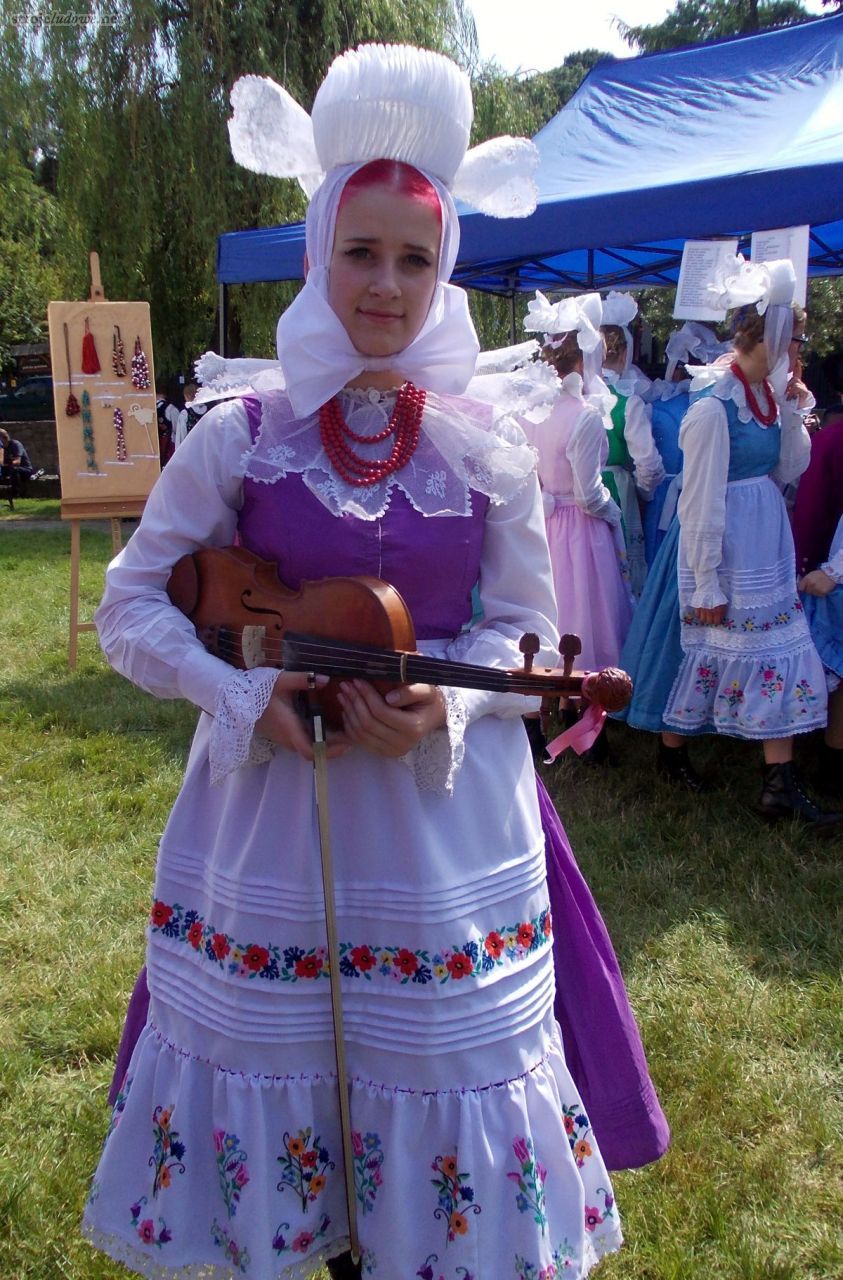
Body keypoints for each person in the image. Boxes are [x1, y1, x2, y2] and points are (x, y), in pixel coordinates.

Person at [83, 45, 624, 1280]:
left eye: (416, 258)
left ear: (448, 272)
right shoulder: (242, 434)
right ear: (320, 249)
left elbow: (527, 634)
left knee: (429, 1066)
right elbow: (132, 608)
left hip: (442, 832)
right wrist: (240, 691)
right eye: (362, 251)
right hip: (270, 815)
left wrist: (448, 701)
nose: (387, 284)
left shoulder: (490, 448)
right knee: (291, 1073)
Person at [617, 258, 840, 827]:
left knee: (772, 648)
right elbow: (700, 503)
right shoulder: (714, 409)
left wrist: (792, 406)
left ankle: (776, 784)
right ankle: (679, 755)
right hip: (723, 545)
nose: (799, 353)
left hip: (764, 541)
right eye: (795, 342)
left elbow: (791, 467)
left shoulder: (766, 400)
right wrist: (706, 579)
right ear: (769, 337)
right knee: (695, 648)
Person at [519, 291, 633, 676]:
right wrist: (611, 511)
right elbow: (588, 494)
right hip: (579, 527)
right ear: (585, 359)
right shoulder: (583, 416)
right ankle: (585, 688)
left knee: (556, 603)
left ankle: (550, 685)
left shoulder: (534, 409)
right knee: (586, 606)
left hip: (545, 522)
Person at [599, 293, 665, 595]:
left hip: (568, 499)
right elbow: (649, 465)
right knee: (621, 577)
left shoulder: (571, 396)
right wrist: (643, 494)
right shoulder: (627, 402)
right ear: (624, 352)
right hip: (616, 490)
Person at [0, 426, 35, 497]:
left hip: (24, 469)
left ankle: (15, 493)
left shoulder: (15, 444)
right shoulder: (2, 448)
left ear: (3, 437)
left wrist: (5, 464)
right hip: (9, 467)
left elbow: (17, 462)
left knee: (14, 470)